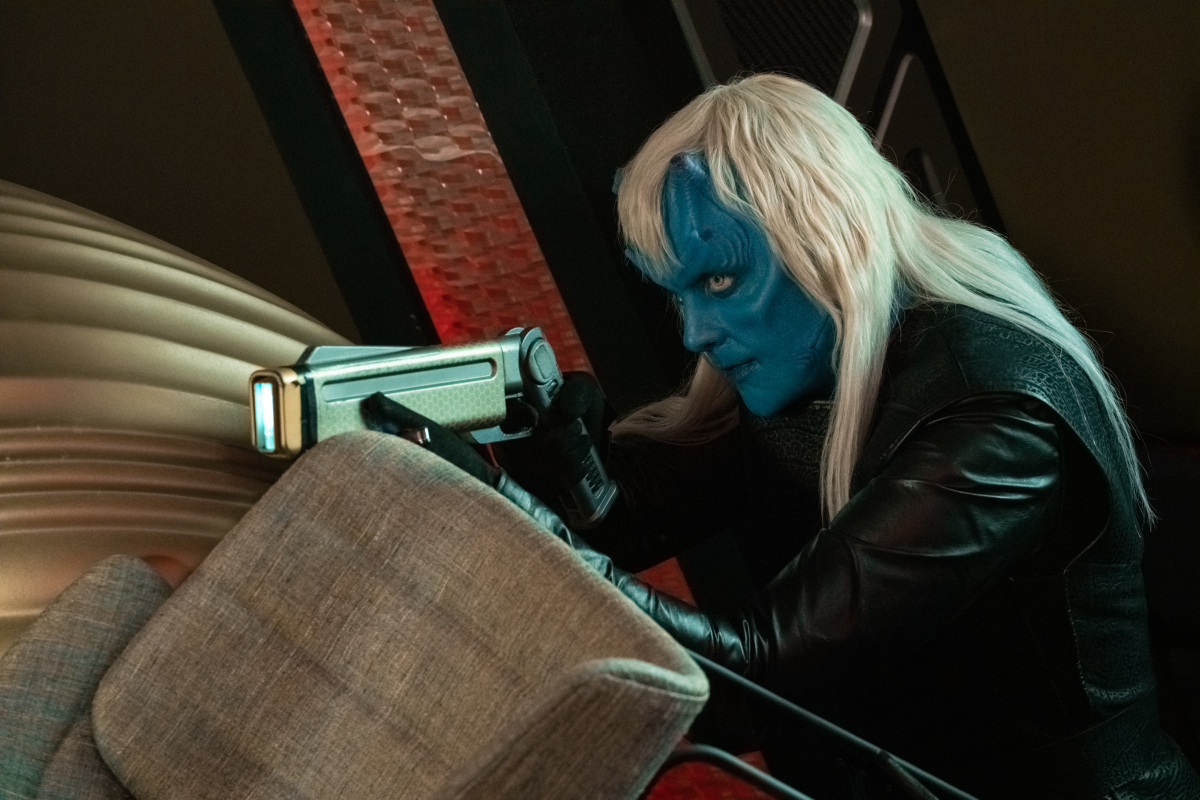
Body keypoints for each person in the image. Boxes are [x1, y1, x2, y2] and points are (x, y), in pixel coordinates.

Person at [366, 74, 1198, 799]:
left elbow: (756, 680)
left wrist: (493, 511)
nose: (696, 332)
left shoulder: (994, 411)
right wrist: (560, 454)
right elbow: (626, 521)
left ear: (828, 238)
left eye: (722, 278)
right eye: (679, 292)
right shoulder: (822, 361)